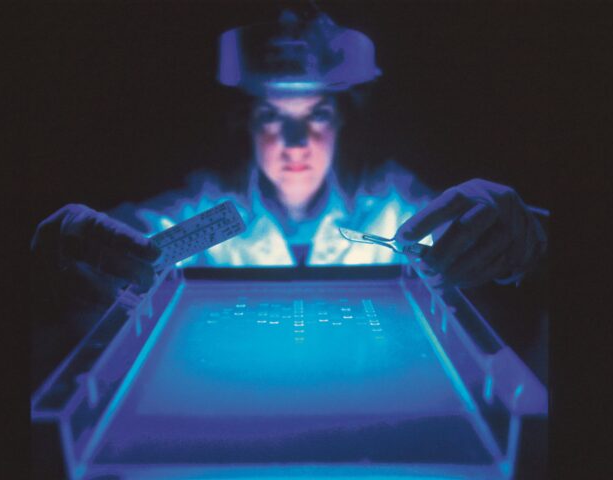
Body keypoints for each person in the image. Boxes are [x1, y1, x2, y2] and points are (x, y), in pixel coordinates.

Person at [30, 11, 547, 380]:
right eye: (272, 117)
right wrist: (65, 256)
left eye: (316, 115)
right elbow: (118, 245)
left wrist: (529, 239)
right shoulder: (197, 214)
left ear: (342, 121)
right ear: (246, 123)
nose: (295, 142)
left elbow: (488, 240)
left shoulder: (397, 209)